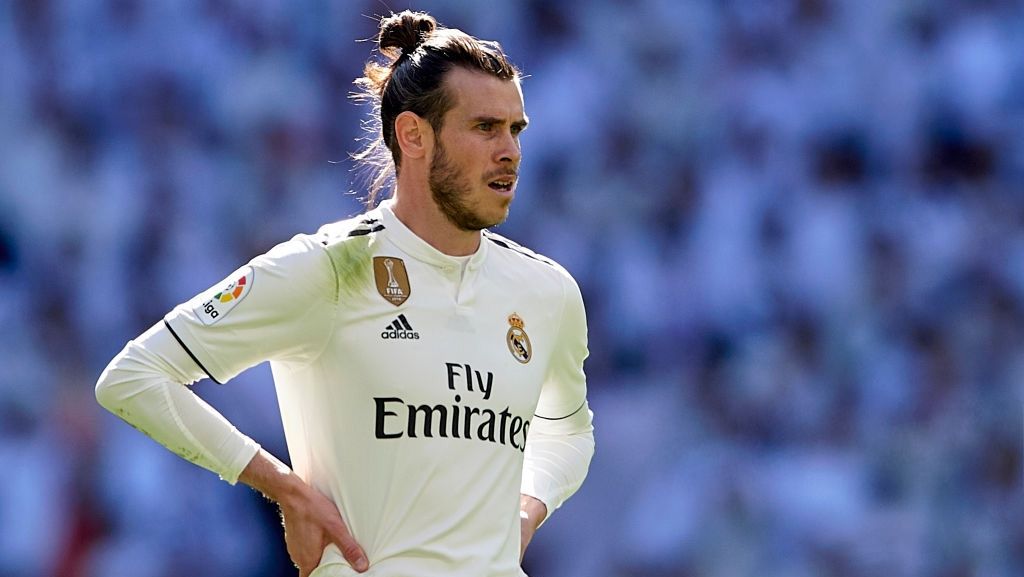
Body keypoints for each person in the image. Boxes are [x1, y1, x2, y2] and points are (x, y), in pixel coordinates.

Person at [95, 10, 595, 577]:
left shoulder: (546, 291)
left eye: (515, 130)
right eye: (485, 128)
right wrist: (283, 487)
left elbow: (570, 429)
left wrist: (529, 510)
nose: (510, 151)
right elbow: (133, 378)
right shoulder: (332, 267)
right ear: (414, 136)